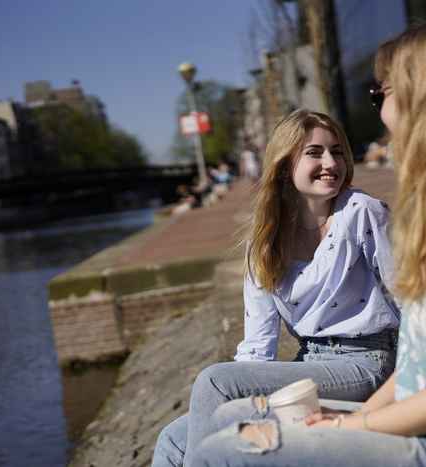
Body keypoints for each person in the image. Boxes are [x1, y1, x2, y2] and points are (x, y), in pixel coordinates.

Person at [189, 18, 426, 467]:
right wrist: (347, 419)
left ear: (425, 99)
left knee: (227, 451)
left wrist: (348, 428)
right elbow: (417, 362)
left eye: (382, 94)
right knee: (231, 419)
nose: (380, 112)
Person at [152, 109, 400, 466]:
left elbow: (409, 299)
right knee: (173, 438)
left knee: (214, 382)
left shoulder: (361, 212)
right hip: (310, 364)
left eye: (337, 152)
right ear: (285, 166)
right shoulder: (265, 242)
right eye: (314, 153)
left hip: (366, 363)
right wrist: (239, 389)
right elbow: (257, 346)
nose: (331, 163)